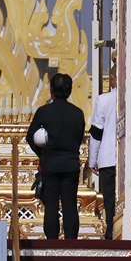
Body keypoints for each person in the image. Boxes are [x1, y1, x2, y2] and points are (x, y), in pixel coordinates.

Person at [26, 73, 85, 239]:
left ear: (51, 90)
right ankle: (71, 242)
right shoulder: (77, 113)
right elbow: (79, 137)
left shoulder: (44, 112)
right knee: (69, 205)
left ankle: (51, 241)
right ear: (69, 91)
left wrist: (43, 153)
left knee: (51, 205)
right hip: (70, 163)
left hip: (50, 163)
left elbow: (30, 137)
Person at [88, 66, 117, 239]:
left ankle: (111, 231)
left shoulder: (104, 100)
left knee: (110, 199)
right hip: (130, 159)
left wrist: (92, 160)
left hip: (107, 158)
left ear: (112, 78)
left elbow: (96, 133)